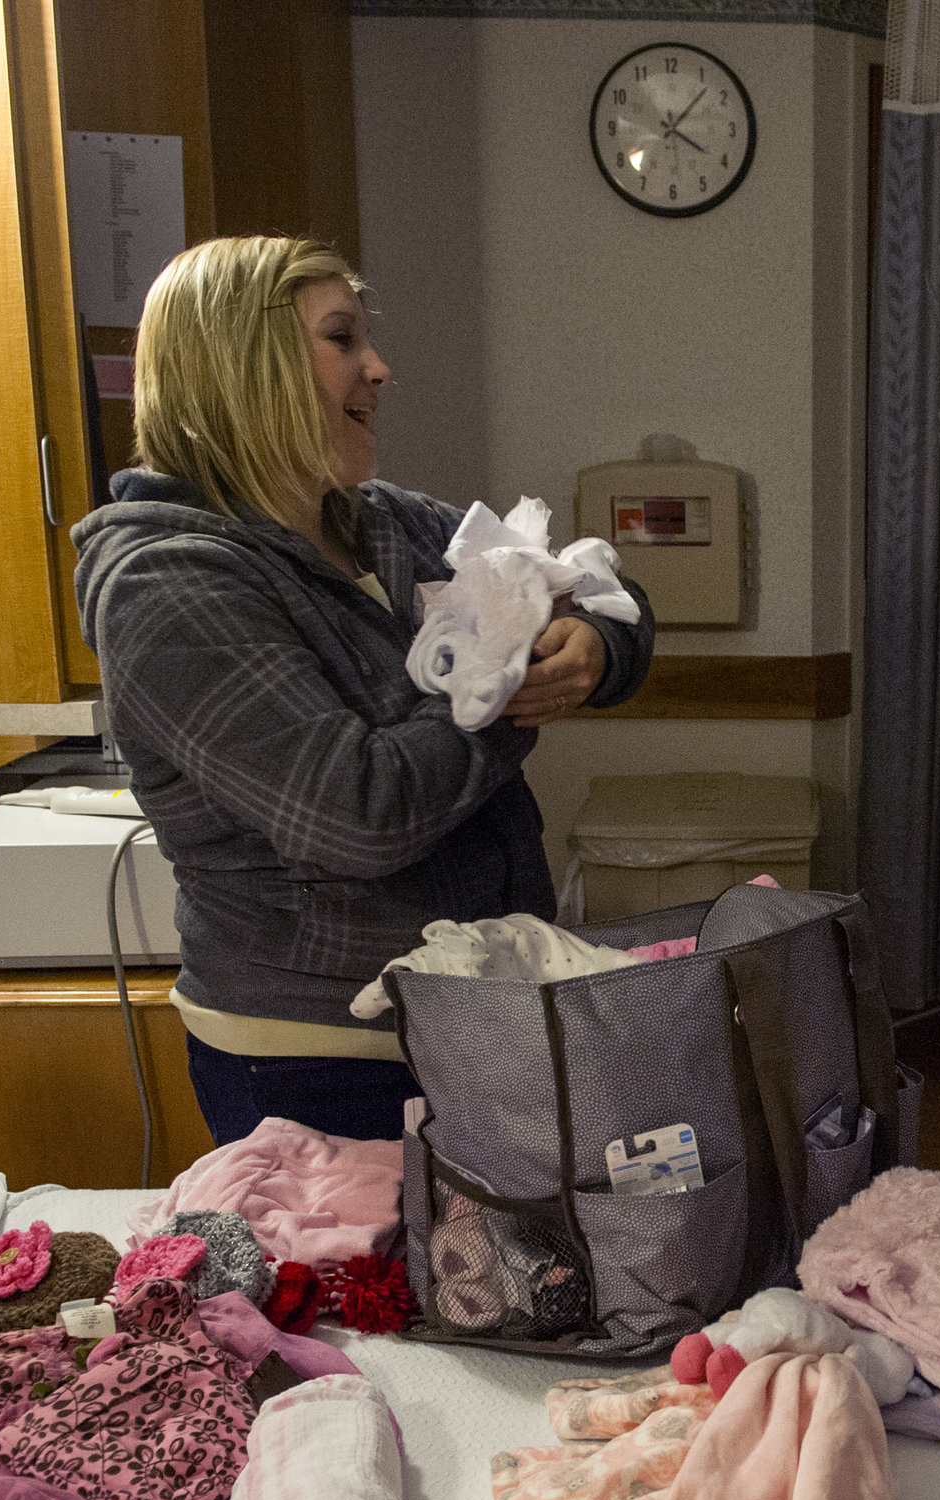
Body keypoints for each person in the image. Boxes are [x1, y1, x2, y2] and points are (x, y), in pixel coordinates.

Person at [73, 235, 654, 1147]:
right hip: (316, 1054)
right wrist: (499, 691)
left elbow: (578, 584)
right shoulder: (167, 585)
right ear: (243, 368)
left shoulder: (387, 525)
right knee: (371, 1291)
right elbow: (358, 812)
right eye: (342, 338)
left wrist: (599, 647)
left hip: (461, 1012)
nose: (378, 368)